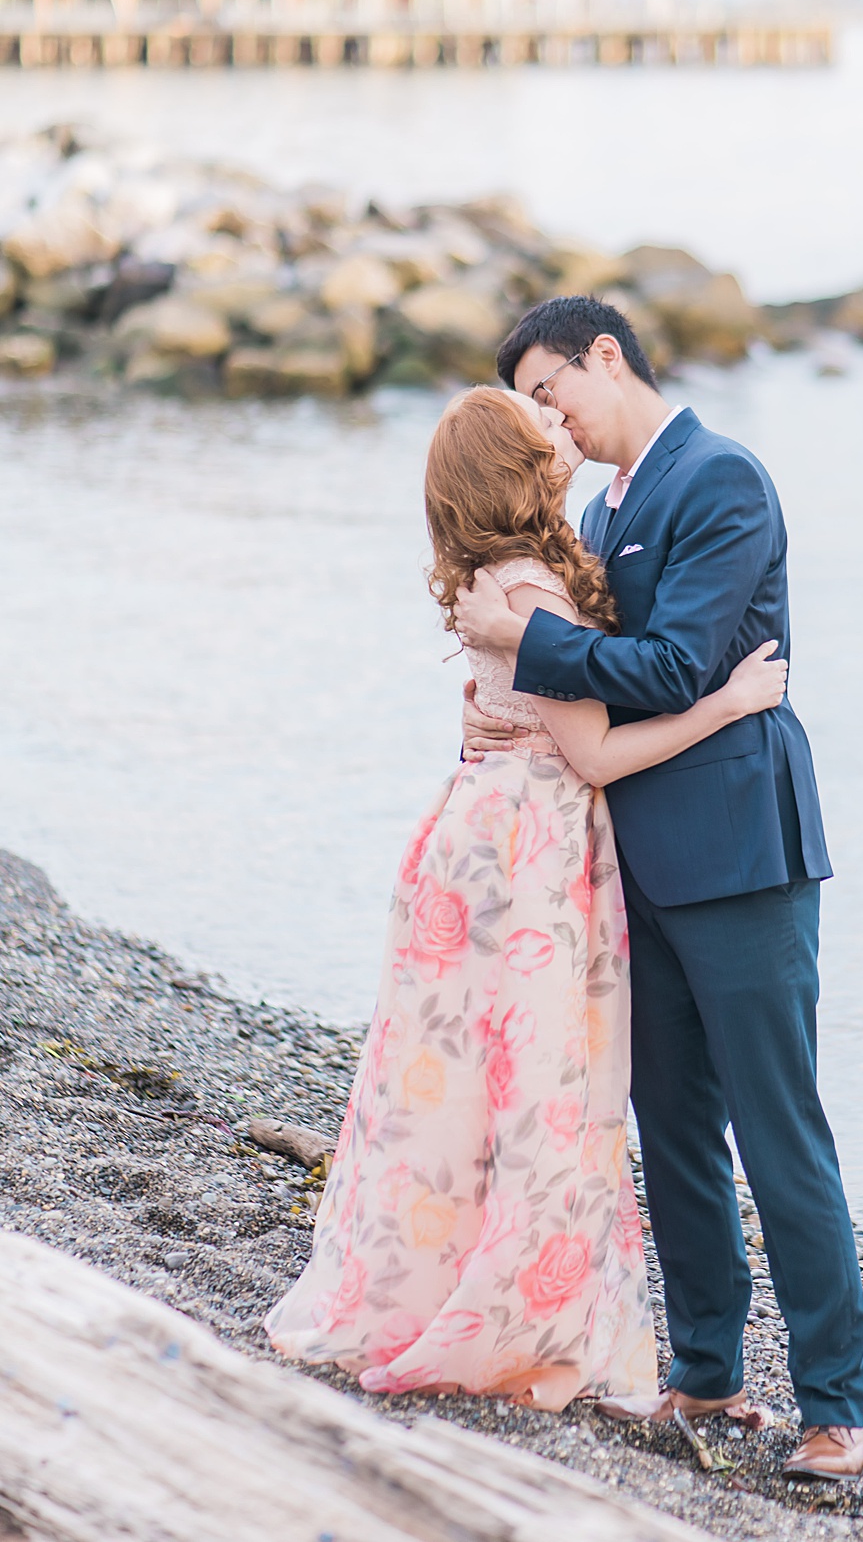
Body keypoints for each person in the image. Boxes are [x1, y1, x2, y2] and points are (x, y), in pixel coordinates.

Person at [266, 386, 790, 1408]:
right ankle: (514, 1313)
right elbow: (592, 755)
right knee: (543, 1087)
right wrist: (726, 703)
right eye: (537, 421)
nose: (559, 426)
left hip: (475, 837)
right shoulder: (535, 591)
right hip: (531, 853)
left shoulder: (499, 579)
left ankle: (434, 1280)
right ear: (519, 466)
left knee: (452, 1080)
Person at [451, 297, 863, 1480]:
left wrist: (521, 640)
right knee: (673, 1127)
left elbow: (680, 665)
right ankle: (708, 1372)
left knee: (778, 1127)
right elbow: (636, 687)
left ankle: (840, 1403)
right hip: (633, 858)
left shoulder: (721, 478)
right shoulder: (601, 508)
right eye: (529, 408)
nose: (550, 421)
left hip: (742, 856)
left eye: (552, 392)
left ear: (605, 356)